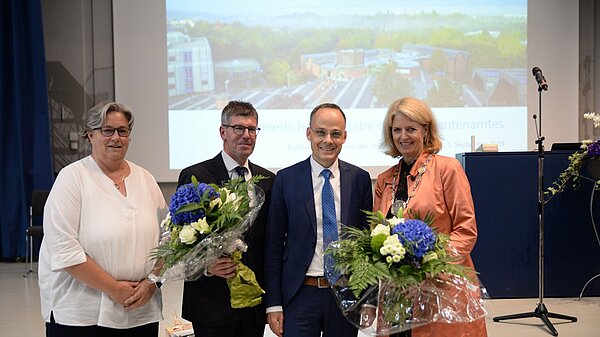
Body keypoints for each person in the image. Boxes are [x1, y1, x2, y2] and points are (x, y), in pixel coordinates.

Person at [38, 101, 167, 337]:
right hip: (82, 314)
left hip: (140, 309)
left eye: (123, 131)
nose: (116, 138)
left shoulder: (145, 178)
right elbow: (63, 248)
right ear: (90, 135)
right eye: (107, 130)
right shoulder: (73, 178)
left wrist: (152, 282)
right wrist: (113, 288)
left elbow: (168, 238)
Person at [373, 97, 487, 337]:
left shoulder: (448, 169)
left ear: (426, 131)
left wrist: (429, 266)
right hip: (397, 294)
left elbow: (466, 230)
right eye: (397, 130)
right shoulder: (384, 179)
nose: (403, 136)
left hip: (442, 288)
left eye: (411, 129)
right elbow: (376, 234)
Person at [264, 102, 373, 337]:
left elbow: (368, 246)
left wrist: (369, 298)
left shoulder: (360, 179)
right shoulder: (286, 179)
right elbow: (273, 246)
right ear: (309, 134)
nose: (328, 140)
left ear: (345, 137)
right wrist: (273, 304)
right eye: (321, 132)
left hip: (346, 293)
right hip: (300, 295)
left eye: (336, 134)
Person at [178, 101, 274, 337]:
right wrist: (206, 265)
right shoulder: (196, 176)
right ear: (223, 131)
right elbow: (179, 238)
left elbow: (268, 242)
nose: (246, 135)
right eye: (239, 128)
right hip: (211, 304)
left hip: (252, 306)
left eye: (252, 129)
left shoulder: (269, 181)